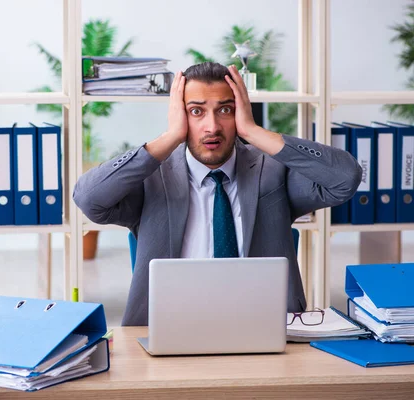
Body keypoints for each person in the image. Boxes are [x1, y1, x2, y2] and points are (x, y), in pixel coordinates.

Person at [73, 62, 362, 326]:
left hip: (265, 327)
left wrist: (252, 131)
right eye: (196, 111)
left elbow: (345, 178)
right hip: (169, 327)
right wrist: (171, 136)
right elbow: (88, 199)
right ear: (179, 115)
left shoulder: (273, 172)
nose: (212, 127)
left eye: (225, 110)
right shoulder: (152, 176)